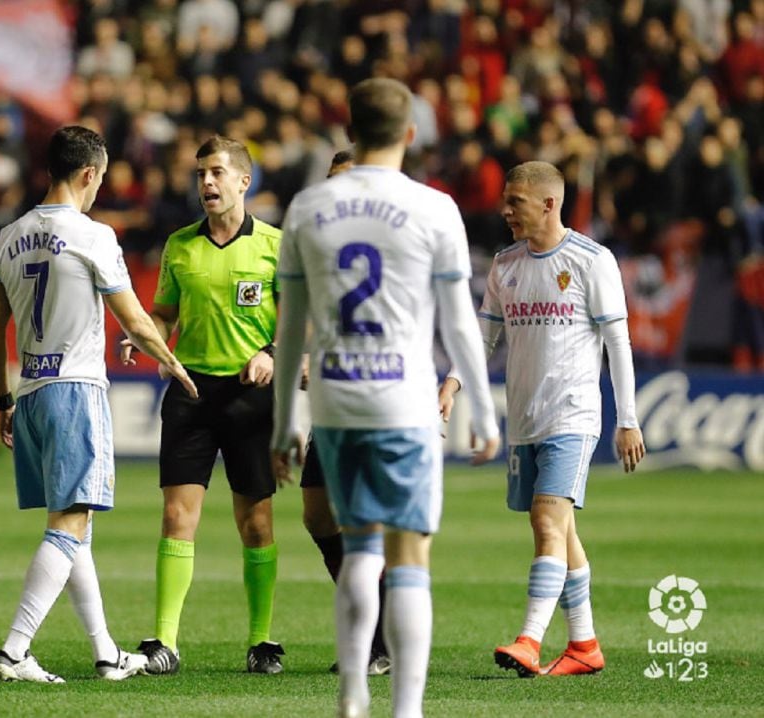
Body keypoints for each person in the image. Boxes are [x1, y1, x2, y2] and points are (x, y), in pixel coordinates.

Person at [271, 78, 501, 718]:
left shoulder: (308, 208)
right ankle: (405, 710)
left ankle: (352, 698)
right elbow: (458, 321)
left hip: (337, 402)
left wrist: (288, 421)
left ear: (349, 130)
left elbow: (292, 328)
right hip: (404, 400)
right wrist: (483, 406)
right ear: (409, 134)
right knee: (408, 555)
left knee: (359, 547)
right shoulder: (435, 209)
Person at [0, 125, 199, 684]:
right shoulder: (94, 236)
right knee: (69, 524)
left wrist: (3, 398)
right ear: (87, 174)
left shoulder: (8, 237)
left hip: (28, 390)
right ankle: (14, 651)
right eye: (100, 177)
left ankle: (106, 653)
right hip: (76, 389)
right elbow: (135, 320)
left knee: (75, 526)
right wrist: (173, 364)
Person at [441, 160, 646, 678]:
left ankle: (529, 640)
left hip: (572, 415)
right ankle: (584, 646)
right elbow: (485, 337)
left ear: (550, 204)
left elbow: (618, 342)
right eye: (506, 200)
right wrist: (453, 381)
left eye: (516, 202)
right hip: (525, 418)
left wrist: (629, 418)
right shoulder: (506, 263)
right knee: (561, 530)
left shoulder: (590, 261)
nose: (505, 210)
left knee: (546, 521)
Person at [120, 135, 285, 675]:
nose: (206, 183)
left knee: (256, 523)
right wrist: (148, 336)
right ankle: (164, 641)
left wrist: (272, 352)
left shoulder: (277, 247)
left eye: (217, 173)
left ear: (244, 180)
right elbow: (165, 312)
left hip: (250, 396)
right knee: (175, 516)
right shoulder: (179, 246)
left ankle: (262, 641)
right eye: (200, 175)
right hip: (190, 391)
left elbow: (302, 322)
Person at [297, 148, 391, 677]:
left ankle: (378, 641)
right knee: (316, 513)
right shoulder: (324, 243)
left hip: (371, 398)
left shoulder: (391, 240)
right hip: (330, 401)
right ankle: (375, 625)